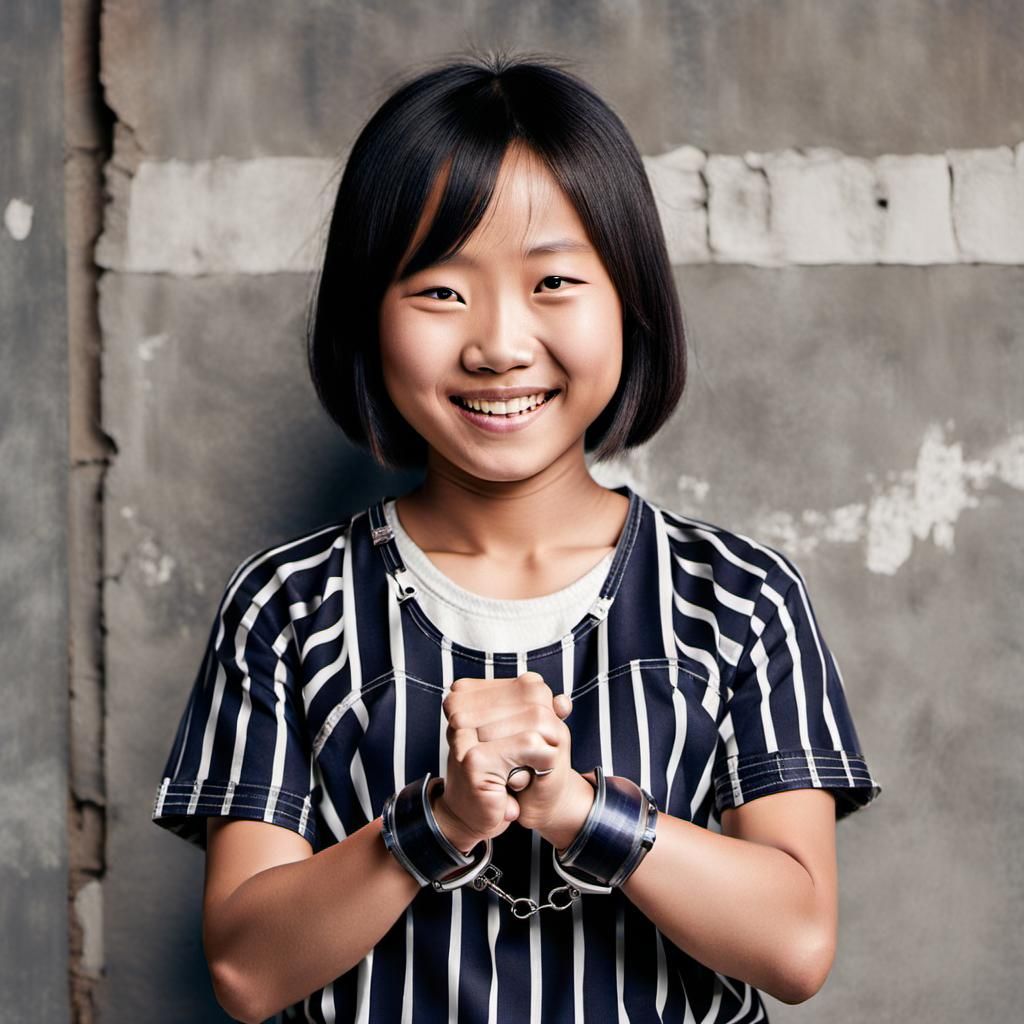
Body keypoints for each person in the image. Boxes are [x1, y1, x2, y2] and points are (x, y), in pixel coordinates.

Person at [151, 49, 882, 1024]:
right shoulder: (288, 605)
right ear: (368, 316)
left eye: (553, 283)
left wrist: (583, 811)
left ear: (627, 299)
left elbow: (796, 944)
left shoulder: (739, 596)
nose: (497, 344)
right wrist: (439, 821)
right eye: (441, 290)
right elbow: (246, 970)